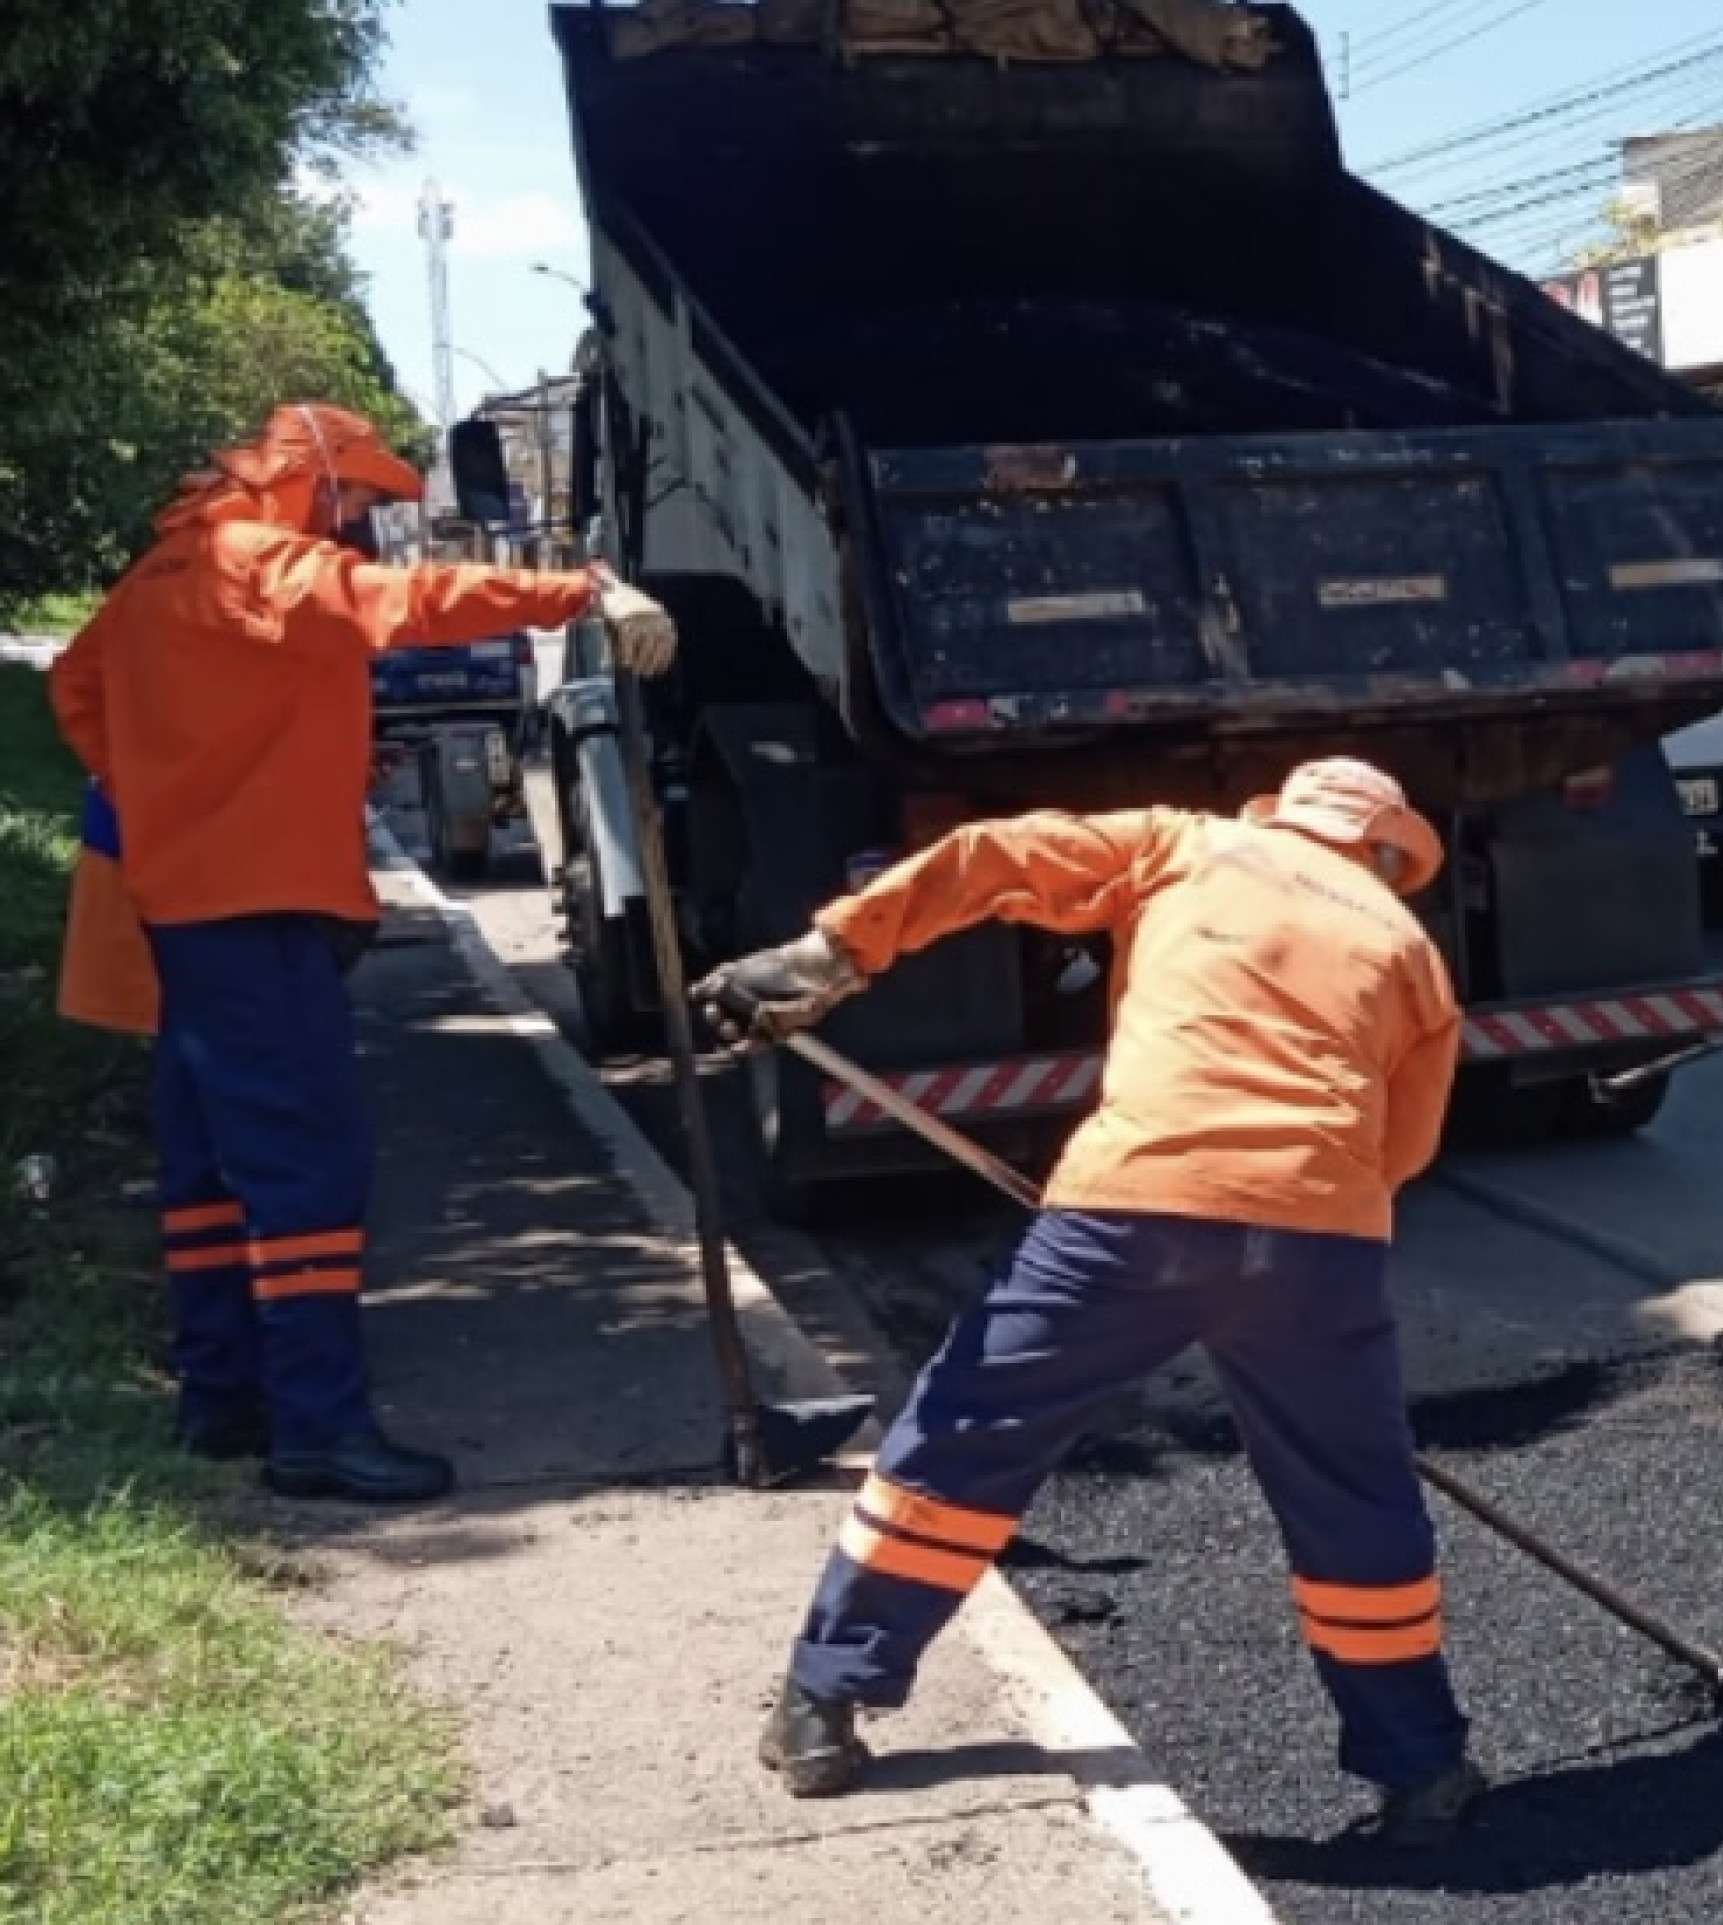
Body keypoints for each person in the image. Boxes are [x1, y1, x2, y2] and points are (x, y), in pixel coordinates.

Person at [696, 758, 1486, 1849]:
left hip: (1130, 1212)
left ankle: (825, 1706)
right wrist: (1278, 1228)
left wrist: (834, 948)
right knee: (1355, 1496)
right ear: (1389, 849)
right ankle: (1423, 1766)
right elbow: (1405, 1147)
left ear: (1281, 813)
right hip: (1320, 1239)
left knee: (968, 1432)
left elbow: (996, 858)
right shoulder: (1407, 946)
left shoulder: (1190, 842)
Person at [48, 404, 679, 1502]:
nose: (363, 526)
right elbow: (405, 602)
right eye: (361, 502)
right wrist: (574, 589)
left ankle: (221, 1396)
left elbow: (79, 689)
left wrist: (178, 785)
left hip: (186, 908)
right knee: (307, 1163)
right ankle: (318, 1430)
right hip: (260, 911)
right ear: (314, 481)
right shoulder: (263, 559)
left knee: (205, 1164)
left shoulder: (168, 569)